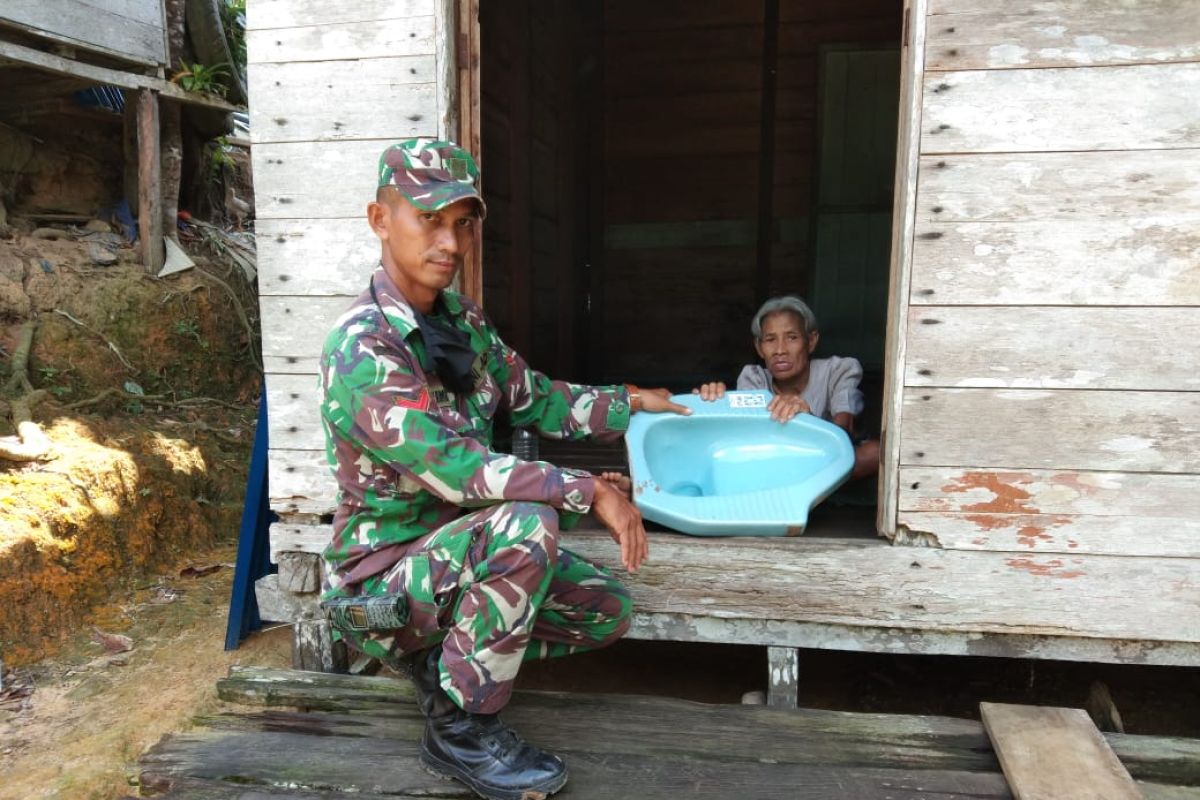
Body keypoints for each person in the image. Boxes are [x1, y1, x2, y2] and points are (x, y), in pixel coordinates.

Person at [318, 138, 687, 800]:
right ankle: (461, 732)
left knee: (602, 608)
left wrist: (632, 402)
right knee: (527, 522)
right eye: (429, 219)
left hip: (455, 558)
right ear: (380, 220)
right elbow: (460, 471)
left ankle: (440, 663)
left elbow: (536, 396)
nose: (451, 243)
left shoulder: (461, 323)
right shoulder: (362, 348)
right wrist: (587, 489)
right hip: (381, 584)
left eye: (462, 223)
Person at [695, 295, 879, 480]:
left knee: (874, 453)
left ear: (811, 341)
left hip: (827, 458)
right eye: (770, 339)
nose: (780, 350)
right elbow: (751, 439)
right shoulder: (754, 379)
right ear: (759, 348)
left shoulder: (838, 370)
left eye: (792, 338)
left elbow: (842, 433)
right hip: (779, 460)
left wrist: (807, 418)